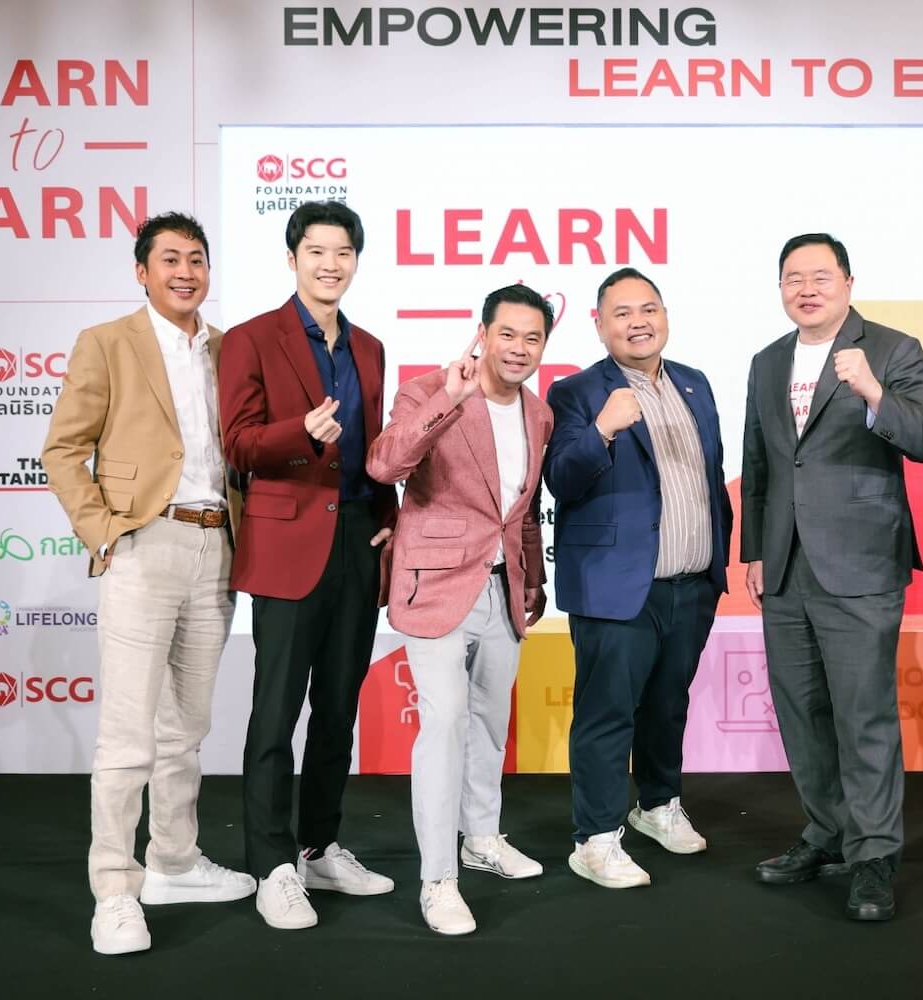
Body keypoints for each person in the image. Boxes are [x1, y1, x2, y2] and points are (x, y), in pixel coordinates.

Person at [42, 212, 254, 955]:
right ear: (142, 271)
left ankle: (174, 861)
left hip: (216, 547)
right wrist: (105, 531)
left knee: (185, 730)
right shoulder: (108, 343)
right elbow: (63, 449)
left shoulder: (229, 349)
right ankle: (114, 890)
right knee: (128, 737)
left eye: (196, 259)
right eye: (170, 259)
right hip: (143, 542)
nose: (185, 272)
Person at [741, 233, 923, 921]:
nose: (807, 289)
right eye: (793, 278)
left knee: (864, 715)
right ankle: (826, 831)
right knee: (801, 712)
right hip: (784, 564)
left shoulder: (892, 349)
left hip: (861, 561)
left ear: (848, 283)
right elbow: (760, 462)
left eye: (820, 276)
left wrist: (872, 391)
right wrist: (755, 552)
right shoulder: (767, 361)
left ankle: (874, 855)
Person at [217, 200, 399, 930]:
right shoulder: (251, 338)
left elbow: (377, 450)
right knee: (276, 713)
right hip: (288, 544)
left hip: (357, 538)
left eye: (343, 252)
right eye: (317, 251)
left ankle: (319, 846)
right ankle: (272, 865)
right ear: (292, 258)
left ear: (356, 261)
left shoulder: (370, 347)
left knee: (337, 710)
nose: (331, 264)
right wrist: (302, 432)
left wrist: (389, 518)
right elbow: (238, 444)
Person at [366, 285, 555, 935]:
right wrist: (451, 397)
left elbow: (522, 509)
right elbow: (384, 463)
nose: (519, 348)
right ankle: (438, 879)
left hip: (504, 589)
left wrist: (532, 581)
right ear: (483, 333)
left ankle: (482, 838)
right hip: (436, 585)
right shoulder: (428, 390)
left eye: (533, 338)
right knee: (444, 723)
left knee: (490, 724)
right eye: (508, 334)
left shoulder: (538, 414)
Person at [544, 267, 732, 889]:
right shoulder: (575, 392)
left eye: (648, 308)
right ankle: (595, 839)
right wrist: (602, 429)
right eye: (621, 313)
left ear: (665, 315)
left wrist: (720, 560)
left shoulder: (695, 383)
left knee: (668, 705)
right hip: (616, 586)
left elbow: (712, 477)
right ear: (599, 325)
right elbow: (561, 480)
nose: (638, 322)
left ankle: (657, 804)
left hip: (692, 581)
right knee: (607, 713)